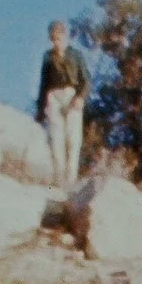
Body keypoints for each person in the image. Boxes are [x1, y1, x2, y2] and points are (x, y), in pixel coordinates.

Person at [37, 21, 88, 187]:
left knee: (73, 139)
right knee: (55, 137)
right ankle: (59, 179)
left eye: (58, 38)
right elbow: (43, 84)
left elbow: (86, 79)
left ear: (65, 36)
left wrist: (81, 97)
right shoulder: (48, 57)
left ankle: (71, 178)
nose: (56, 42)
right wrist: (40, 110)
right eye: (53, 39)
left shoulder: (76, 55)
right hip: (53, 96)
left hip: (71, 95)